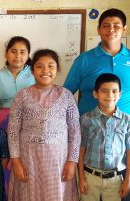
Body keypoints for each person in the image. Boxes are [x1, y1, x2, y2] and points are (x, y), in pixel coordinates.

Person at [64, 8, 130, 201]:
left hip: (128, 128)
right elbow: (66, 94)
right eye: (106, 25)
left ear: (124, 30)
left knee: (126, 183)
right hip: (89, 128)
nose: (111, 30)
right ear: (98, 29)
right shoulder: (84, 60)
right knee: (89, 184)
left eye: (116, 26)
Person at [8, 49, 81, 201]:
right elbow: (13, 131)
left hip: (58, 162)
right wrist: (16, 160)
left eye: (51, 66)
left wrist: (72, 161)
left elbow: (75, 131)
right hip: (29, 160)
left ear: (57, 69)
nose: (45, 71)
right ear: (32, 70)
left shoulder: (66, 96)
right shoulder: (22, 96)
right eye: (40, 66)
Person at [79, 73, 130, 201]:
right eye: (104, 91)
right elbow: (81, 149)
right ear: (95, 94)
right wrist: (80, 177)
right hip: (90, 177)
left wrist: (128, 180)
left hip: (115, 180)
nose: (110, 95)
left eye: (114, 91)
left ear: (119, 94)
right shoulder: (86, 119)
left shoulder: (128, 121)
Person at [0, 36, 35, 194]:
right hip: (4, 122)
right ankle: (6, 193)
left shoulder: (35, 73)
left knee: (26, 158)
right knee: (6, 160)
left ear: (28, 54)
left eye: (23, 52)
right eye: (13, 51)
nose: (18, 56)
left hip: (30, 122)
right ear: (6, 54)